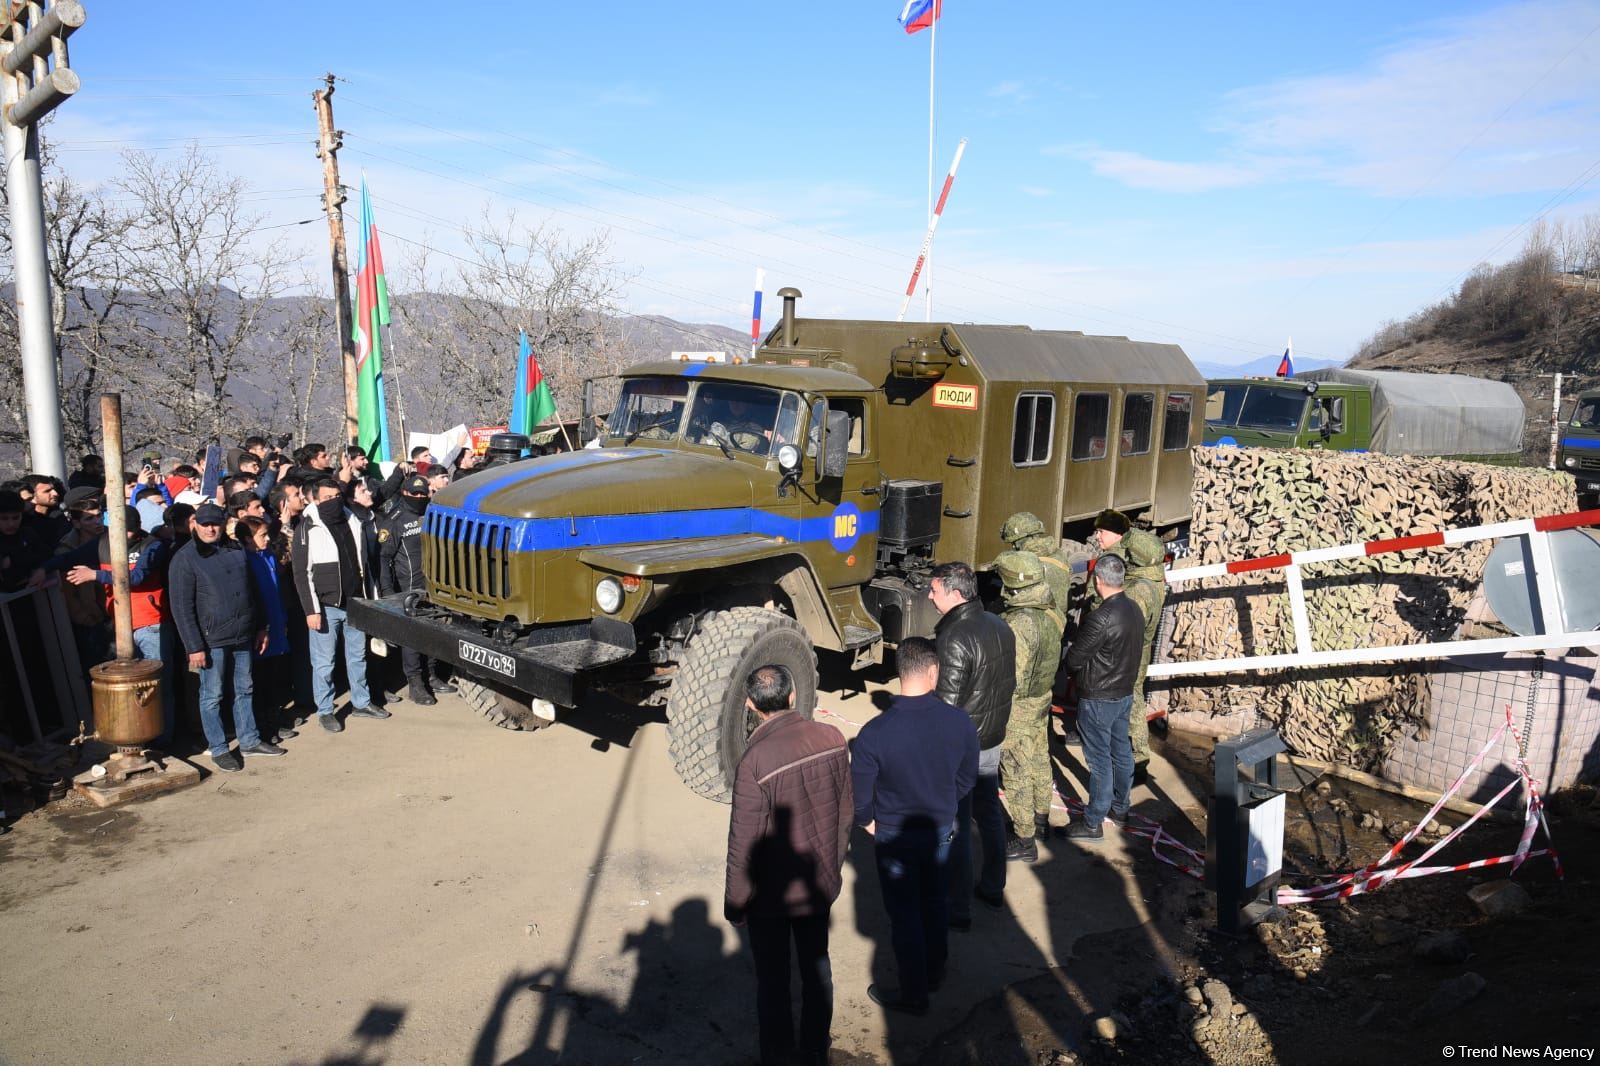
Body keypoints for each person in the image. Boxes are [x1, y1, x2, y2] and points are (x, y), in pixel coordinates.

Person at [723, 665, 852, 1066]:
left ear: (750, 705)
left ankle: (777, 1054)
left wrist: (736, 904)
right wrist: (832, 865)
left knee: (774, 982)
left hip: (771, 900)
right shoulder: (832, 738)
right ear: (793, 696)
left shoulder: (754, 763)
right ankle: (815, 1047)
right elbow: (846, 814)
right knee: (817, 969)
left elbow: (743, 845)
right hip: (818, 884)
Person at [851, 637, 977, 1015]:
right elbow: (966, 778)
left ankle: (913, 992)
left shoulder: (874, 733)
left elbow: (860, 793)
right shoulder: (959, 722)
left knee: (904, 913)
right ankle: (935, 972)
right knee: (935, 900)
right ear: (934, 671)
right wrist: (945, 803)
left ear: (899, 673)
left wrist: (867, 821)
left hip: (893, 835)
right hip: (939, 828)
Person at [927, 560, 1015, 924]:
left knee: (958, 827)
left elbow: (945, 707)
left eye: (934, 590)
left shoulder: (954, 638)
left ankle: (957, 907)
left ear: (954, 593)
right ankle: (994, 888)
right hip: (992, 737)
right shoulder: (999, 624)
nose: (929, 596)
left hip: (962, 747)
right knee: (990, 813)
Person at [166, 502, 283, 772]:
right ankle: (218, 747)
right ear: (194, 524)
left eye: (215, 524)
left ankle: (249, 739)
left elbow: (253, 590)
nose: (210, 529)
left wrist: (262, 625)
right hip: (211, 639)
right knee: (212, 695)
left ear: (222, 524)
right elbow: (181, 607)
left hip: (243, 632)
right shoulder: (185, 559)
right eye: (204, 524)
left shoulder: (236, 550)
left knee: (245, 688)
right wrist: (194, 646)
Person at [293, 477, 386, 732]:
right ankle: (325, 710)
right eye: (326, 498)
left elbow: (364, 564)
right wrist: (311, 610)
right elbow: (302, 573)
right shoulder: (307, 528)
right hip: (326, 606)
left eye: (336, 496)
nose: (333, 501)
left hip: (355, 601)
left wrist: (370, 599)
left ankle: (361, 703)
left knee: (357, 657)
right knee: (324, 662)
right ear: (314, 499)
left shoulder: (352, 520)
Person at [1063, 555, 1143, 840]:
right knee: (1121, 752)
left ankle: (1093, 820)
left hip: (1099, 697)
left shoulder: (1101, 617)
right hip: (1123, 693)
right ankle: (1121, 809)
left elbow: (1074, 659)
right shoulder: (1134, 609)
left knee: (1099, 761)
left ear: (1098, 581)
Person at [993, 550, 1065, 863]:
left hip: (1019, 706)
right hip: (1042, 697)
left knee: (1016, 769)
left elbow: (1013, 676)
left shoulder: (1018, 624)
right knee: (1039, 757)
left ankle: (1024, 839)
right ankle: (1040, 817)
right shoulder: (1052, 611)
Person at [1090, 509, 1167, 782]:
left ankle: (1136, 760)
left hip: (1127, 655)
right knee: (1132, 699)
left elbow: (1120, 623)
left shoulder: (1138, 589)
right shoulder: (1154, 578)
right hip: (1137, 651)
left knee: (1130, 702)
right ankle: (1135, 759)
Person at [377, 474, 456, 704]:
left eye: (424, 493)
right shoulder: (394, 520)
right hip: (409, 588)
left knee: (435, 633)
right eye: (415, 494)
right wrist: (388, 593)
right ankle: (415, 683)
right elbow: (384, 559)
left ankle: (431, 675)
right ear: (405, 493)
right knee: (412, 638)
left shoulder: (433, 513)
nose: (420, 497)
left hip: (436, 585)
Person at [237, 515, 296, 744]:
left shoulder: (269, 556)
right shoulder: (244, 561)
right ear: (246, 539)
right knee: (259, 681)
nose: (268, 538)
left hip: (277, 625)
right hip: (260, 630)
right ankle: (262, 727)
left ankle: (274, 719)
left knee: (274, 678)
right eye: (262, 535)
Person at [998, 511, 1089, 617]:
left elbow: (1012, 603)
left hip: (1040, 623)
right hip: (1059, 619)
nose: (1013, 547)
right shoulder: (1058, 553)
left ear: (1018, 542)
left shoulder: (1025, 565)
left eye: (1013, 543)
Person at [0, 490, 49, 592]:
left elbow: (46, 556)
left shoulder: (28, 534)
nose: (11, 524)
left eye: (15, 518)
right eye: (4, 519)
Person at [21, 474, 67, 546]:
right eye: (47, 491)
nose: (55, 493)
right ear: (32, 494)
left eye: (53, 489)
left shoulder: (59, 518)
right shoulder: (21, 523)